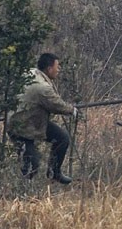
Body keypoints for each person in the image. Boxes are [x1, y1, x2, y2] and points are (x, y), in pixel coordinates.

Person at [7, 52, 79, 184]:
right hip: (22, 126)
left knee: (62, 138)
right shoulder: (42, 87)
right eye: (57, 66)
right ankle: (22, 190)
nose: (59, 69)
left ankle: (54, 172)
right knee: (32, 163)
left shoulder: (31, 73)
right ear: (49, 68)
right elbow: (55, 104)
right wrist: (72, 110)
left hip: (34, 121)